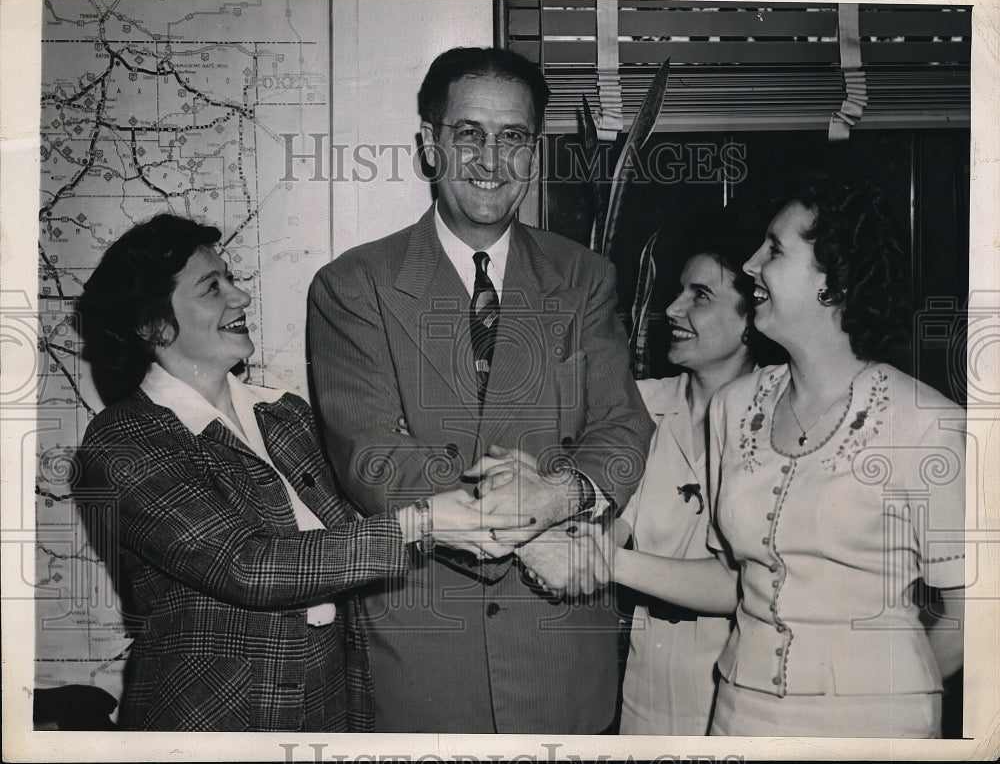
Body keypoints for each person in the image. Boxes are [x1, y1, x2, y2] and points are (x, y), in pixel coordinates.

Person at [307, 46, 654, 733]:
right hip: (424, 649)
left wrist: (560, 492)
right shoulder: (355, 286)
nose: (492, 160)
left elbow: (622, 427)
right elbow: (374, 460)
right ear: (430, 146)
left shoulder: (583, 277)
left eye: (514, 138)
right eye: (469, 134)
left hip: (559, 642)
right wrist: (528, 529)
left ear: (534, 154)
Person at [74, 214, 517, 732]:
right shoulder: (125, 440)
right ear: (152, 326)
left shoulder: (284, 416)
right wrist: (420, 522)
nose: (239, 297)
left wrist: (484, 492)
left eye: (231, 278)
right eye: (211, 288)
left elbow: (364, 518)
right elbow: (248, 566)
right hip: (215, 720)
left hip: (329, 700)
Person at [597, 169, 965, 737]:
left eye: (773, 249)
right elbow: (731, 581)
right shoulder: (736, 407)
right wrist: (603, 561)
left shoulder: (928, 425)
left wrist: (886, 705)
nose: (750, 266)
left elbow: (974, 616)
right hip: (738, 718)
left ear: (834, 282)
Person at [616, 211, 780, 736]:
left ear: (751, 316)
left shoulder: (779, 425)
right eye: (679, 290)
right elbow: (609, 517)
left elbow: (748, 584)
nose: (671, 308)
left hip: (740, 701)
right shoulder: (639, 407)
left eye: (700, 295)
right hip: (640, 691)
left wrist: (599, 560)